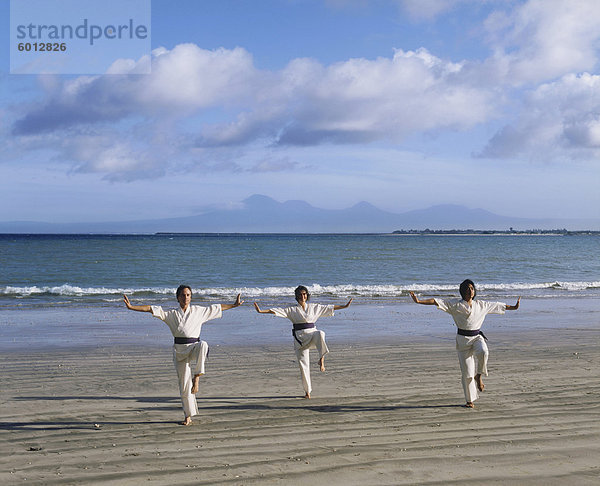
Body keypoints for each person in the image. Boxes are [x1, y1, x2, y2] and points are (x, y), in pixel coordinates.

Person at [123, 285, 243, 425]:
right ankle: (188, 416)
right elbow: (151, 309)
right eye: (183, 295)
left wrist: (234, 305)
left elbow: (217, 308)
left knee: (203, 344)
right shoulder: (171, 314)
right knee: (184, 385)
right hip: (179, 351)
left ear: (191, 297)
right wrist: (131, 307)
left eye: (188, 295)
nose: (185, 298)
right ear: (178, 297)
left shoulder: (199, 311)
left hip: (194, 348)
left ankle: (197, 377)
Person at [409, 279, 520, 408]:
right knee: (467, 374)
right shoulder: (455, 304)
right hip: (462, 341)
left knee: (484, 351)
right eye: (467, 288)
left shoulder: (481, 305)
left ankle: (478, 376)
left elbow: (499, 306)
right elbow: (436, 301)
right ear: (462, 291)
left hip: (477, 337)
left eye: (472, 288)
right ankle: (469, 400)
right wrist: (418, 301)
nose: (470, 290)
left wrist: (514, 307)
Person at [254, 285, 353, 399]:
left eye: (305, 294)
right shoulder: (291, 310)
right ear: (296, 296)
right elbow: (276, 311)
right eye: (300, 294)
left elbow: (329, 307)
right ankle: (307, 392)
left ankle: (321, 359)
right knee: (303, 365)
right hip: (300, 339)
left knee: (320, 333)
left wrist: (345, 306)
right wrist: (261, 311)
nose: (303, 296)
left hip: (312, 335)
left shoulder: (314, 307)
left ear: (307, 295)